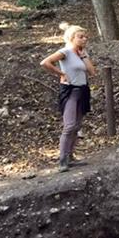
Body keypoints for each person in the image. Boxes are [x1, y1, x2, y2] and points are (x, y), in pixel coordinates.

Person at [40, 22, 96, 172]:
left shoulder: (82, 53)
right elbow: (45, 62)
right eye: (81, 37)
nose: (84, 39)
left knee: (77, 125)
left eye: (86, 37)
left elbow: (92, 72)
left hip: (82, 90)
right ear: (72, 38)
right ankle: (62, 160)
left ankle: (70, 156)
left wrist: (84, 56)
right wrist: (61, 74)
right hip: (70, 91)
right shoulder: (65, 52)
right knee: (69, 125)